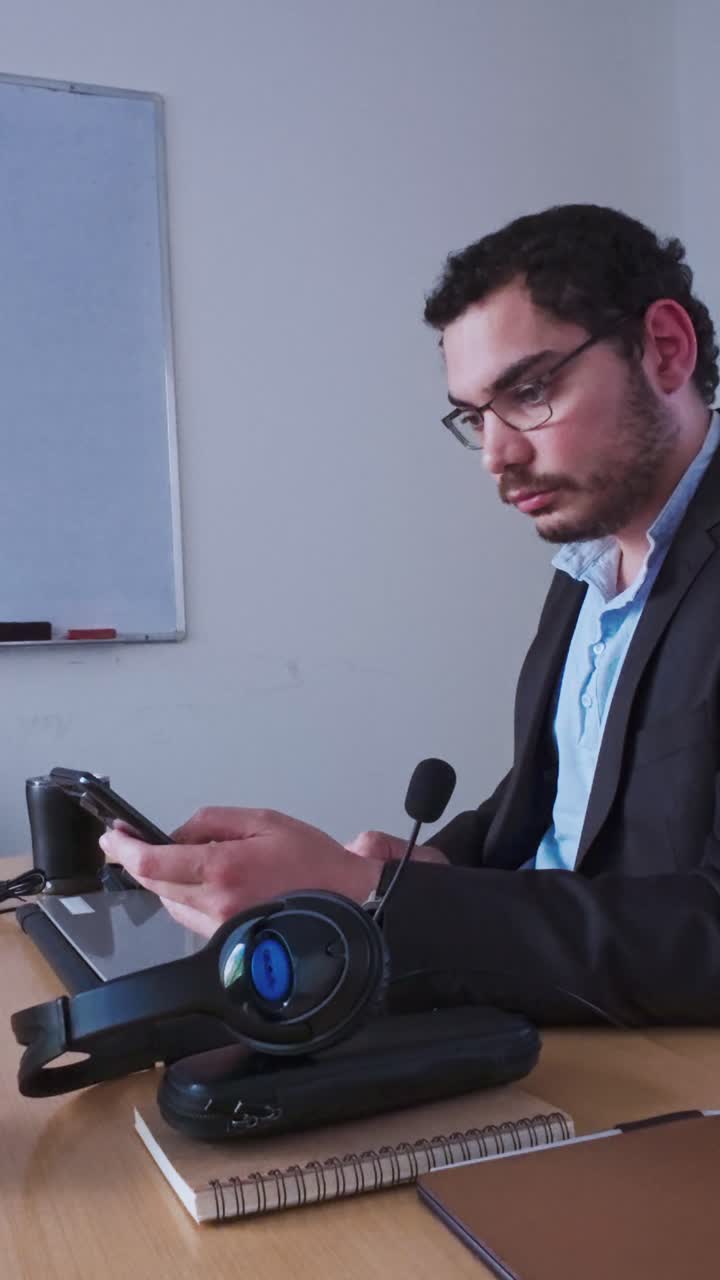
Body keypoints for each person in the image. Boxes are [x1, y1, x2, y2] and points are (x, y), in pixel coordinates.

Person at [102, 204, 720, 1026]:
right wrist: (425, 866)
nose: (497, 455)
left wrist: (374, 897)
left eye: (529, 391)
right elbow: (559, 797)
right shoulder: (590, 558)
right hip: (547, 1013)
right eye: (474, 416)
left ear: (666, 350)